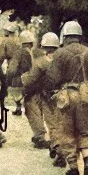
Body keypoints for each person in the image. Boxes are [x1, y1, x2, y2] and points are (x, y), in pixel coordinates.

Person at [46, 20, 88, 175]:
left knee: (67, 132)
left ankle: (73, 166)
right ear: (80, 37)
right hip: (84, 96)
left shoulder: (60, 54)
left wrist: (50, 93)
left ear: (65, 37)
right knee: (84, 129)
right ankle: (87, 157)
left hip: (66, 96)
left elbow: (52, 78)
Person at [22, 32, 64, 165]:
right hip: (65, 95)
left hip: (49, 96)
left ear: (43, 46)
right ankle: (58, 146)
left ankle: (59, 150)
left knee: (52, 124)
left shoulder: (40, 62)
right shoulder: (65, 59)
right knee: (63, 123)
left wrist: (22, 82)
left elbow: (31, 80)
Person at [0, 23, 22, 115]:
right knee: (17, 86)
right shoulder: (19, 41)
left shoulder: (5, 41)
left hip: (12, 66)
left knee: (4, 86)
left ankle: (2, 107)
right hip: (21, 67)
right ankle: (18, 107)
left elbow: (1, 56)